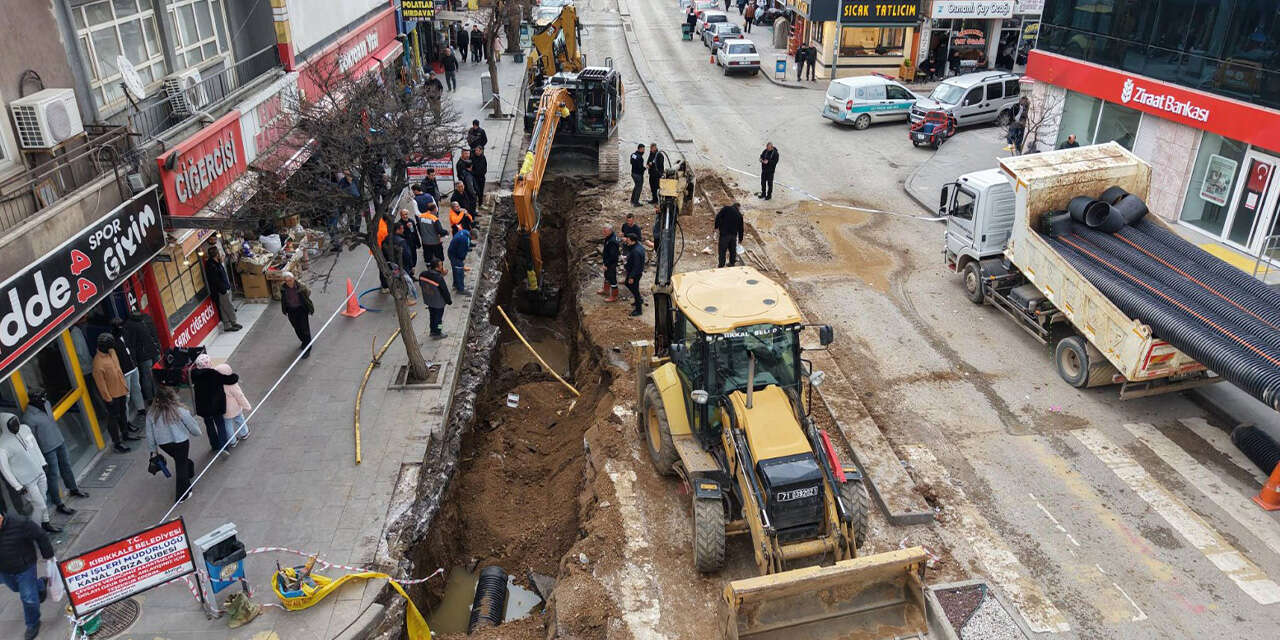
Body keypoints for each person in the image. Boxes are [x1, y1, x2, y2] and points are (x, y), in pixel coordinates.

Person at [23, 390, 87, 518]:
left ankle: (73, 488)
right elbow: (32, 440)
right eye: (42, 398)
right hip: (47, 449)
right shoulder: (28, 418)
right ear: (34, 399)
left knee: (66, 466)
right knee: (53, 475)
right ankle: (58, 503)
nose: (44, 400)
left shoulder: (47, 404)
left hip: (59, 441)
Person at [0, 510, 55, 639]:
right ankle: (40, 585)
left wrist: (48, 555)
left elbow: (40, 535)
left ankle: (33, 623)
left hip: (25, 566)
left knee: (28, 598)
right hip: (4, 569)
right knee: (16, 588)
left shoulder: (20, 522)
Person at [0, 414, 59, 533]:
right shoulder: (2, 446)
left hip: (39, 472)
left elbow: (35, 446)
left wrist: (43, 462)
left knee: (43, 499)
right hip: (26, 481)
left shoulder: (25, 429)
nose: (16, 426)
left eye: (16, 422)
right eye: (12, 424)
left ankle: (46, 523)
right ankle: (35, 532)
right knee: (40, 506)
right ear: (4, 426)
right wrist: (17, 486)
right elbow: (4, 469)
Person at [144, 385, 201, 503]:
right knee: (180, 465)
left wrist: (153, 450)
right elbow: (192, 426)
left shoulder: (151, 414)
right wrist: (197, 433)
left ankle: (189, 470)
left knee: (180, 460)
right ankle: (182, 495)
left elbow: (150, 434)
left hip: (164, 444)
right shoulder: (180, 410)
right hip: (181, 442)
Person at [91, 333, 135, 453]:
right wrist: (108, 399)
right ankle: (117, 442)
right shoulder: (98, 363)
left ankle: (125, 434)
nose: (112, 347)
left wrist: (125, 387)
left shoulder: (112, 352)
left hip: (121, 390)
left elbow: (118, 370)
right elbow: (101, 384)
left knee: (123, 414)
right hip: (112, 396)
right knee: (113, 419)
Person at [191, 354, 236, 453]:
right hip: (216, 406)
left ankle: (214, 444)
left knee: (209, 425)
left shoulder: (194, 375)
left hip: (203, 407)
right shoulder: (214, 374)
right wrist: (234, 376)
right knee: (220, 424)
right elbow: (229, 379)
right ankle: (224, 447)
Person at [109, 317, 145, 426]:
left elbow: (132, 347)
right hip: (124, 371)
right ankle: (127, 419)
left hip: (133, 367)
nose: (121, 327)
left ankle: (141, 408)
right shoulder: (112, 341)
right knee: (126, 396)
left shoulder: (125, 334)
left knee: (137, 388)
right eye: (119, 326)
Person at [124, 311, 162, 405]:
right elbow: (132, 344)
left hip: (148, 353)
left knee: (151, 376)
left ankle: (157, 396)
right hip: (146, 354)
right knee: (150, 376)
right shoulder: (142, 320)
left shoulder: (130, 325)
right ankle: (152, 397)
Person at [205, 246, 241, 332]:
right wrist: (224, 289)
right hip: (221, 290)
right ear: (216, 254)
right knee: (228, 306)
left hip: (223, 288)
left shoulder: (216, 263)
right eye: (218, 253)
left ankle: (227, 325)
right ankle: (233, 321)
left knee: (223, 308)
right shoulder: (212, 265)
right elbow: (216, 280)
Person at [279, 272, 315, 357]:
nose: (289, 282)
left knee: (304, 328)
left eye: (290, 280)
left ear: (293, 279)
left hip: (301, 309)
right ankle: (304, 341)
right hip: (291, 310)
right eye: (286, 281)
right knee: (297, 328)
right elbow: (283, 298)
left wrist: (306, 304)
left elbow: (308, 292)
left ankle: (307, 347)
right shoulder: (283, 288)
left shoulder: (301, 286)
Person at [216, 362, 251, 446]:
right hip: (235, 408)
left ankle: (232, 441)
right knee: (240, 420)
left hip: (224, 409)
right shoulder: (232, 384)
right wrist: (247, 406)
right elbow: (239, 396)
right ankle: (244, 433)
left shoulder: (216, 384)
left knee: (227, 425)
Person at [418, 260, 453, 339]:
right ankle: (438, 332)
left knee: (432, 316)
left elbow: (421, 284)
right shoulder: (439, 278)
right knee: (439, 319)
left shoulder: (422, 274)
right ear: (437, 267)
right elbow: (445, 291)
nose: (442, 267)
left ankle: (432, 331)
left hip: (429, 300)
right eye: (441, 265)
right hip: (439, 303)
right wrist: (449, 301)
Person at [714, 203, 744, 267]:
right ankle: (732, 263)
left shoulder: (726, 208)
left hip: (724, 235)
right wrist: (740, 239)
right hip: (733, 236)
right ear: (738, 207)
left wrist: (716, 227)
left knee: (722, 251)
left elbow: (718, 216)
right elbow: (741, 229)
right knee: (732, 251)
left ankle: (721, 265)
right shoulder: (739, 215)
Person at [623, 233, 646, 317]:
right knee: (627, 284)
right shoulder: (637, 246)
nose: (626, 241)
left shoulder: (636, 251)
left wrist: (632, 277)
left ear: (632, 241)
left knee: (635, 290)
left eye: (628, 240)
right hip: (634, 272)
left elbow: (636, 266)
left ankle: (638, 309)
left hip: (635, 273)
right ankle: (639, 300)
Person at [448, 225, 473, 295]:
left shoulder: (465, 232)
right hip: (455, 256)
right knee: (459, 272)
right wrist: (461, 261)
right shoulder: (464, 240)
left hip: (451, 252)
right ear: (472, 236)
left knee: (455, 270)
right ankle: (460, 289)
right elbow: (461, 253)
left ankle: (455, 284)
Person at [599, 225, 620, 303]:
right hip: (607, 261)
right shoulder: (609, 237)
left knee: (612, 278)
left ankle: (614, 296)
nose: (603, 233)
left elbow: (613, 256)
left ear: (610, 231)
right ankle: (606, 289)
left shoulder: (612, 241)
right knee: (606, 275)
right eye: (603, 231)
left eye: (605, 231)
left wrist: (606, 264)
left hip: (611, 263)